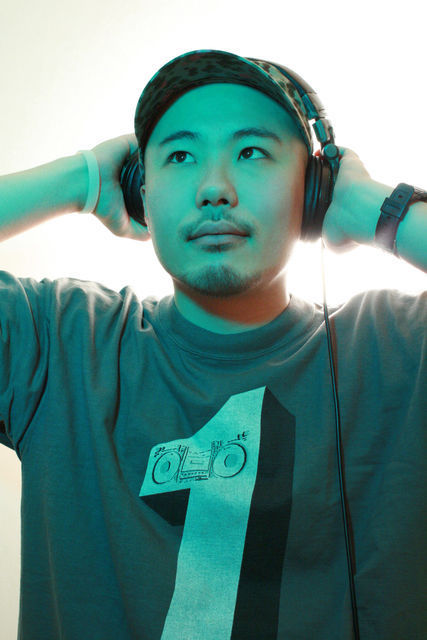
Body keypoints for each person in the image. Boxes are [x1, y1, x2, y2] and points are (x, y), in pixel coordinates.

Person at [0, 49, 426, 640]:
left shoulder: (397, 349)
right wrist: (83, 179)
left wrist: (387, 213)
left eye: (251, 152)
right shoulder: (58, 340)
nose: (213, 188)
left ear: (314, 190)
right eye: (179, 156)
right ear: (141, 191)